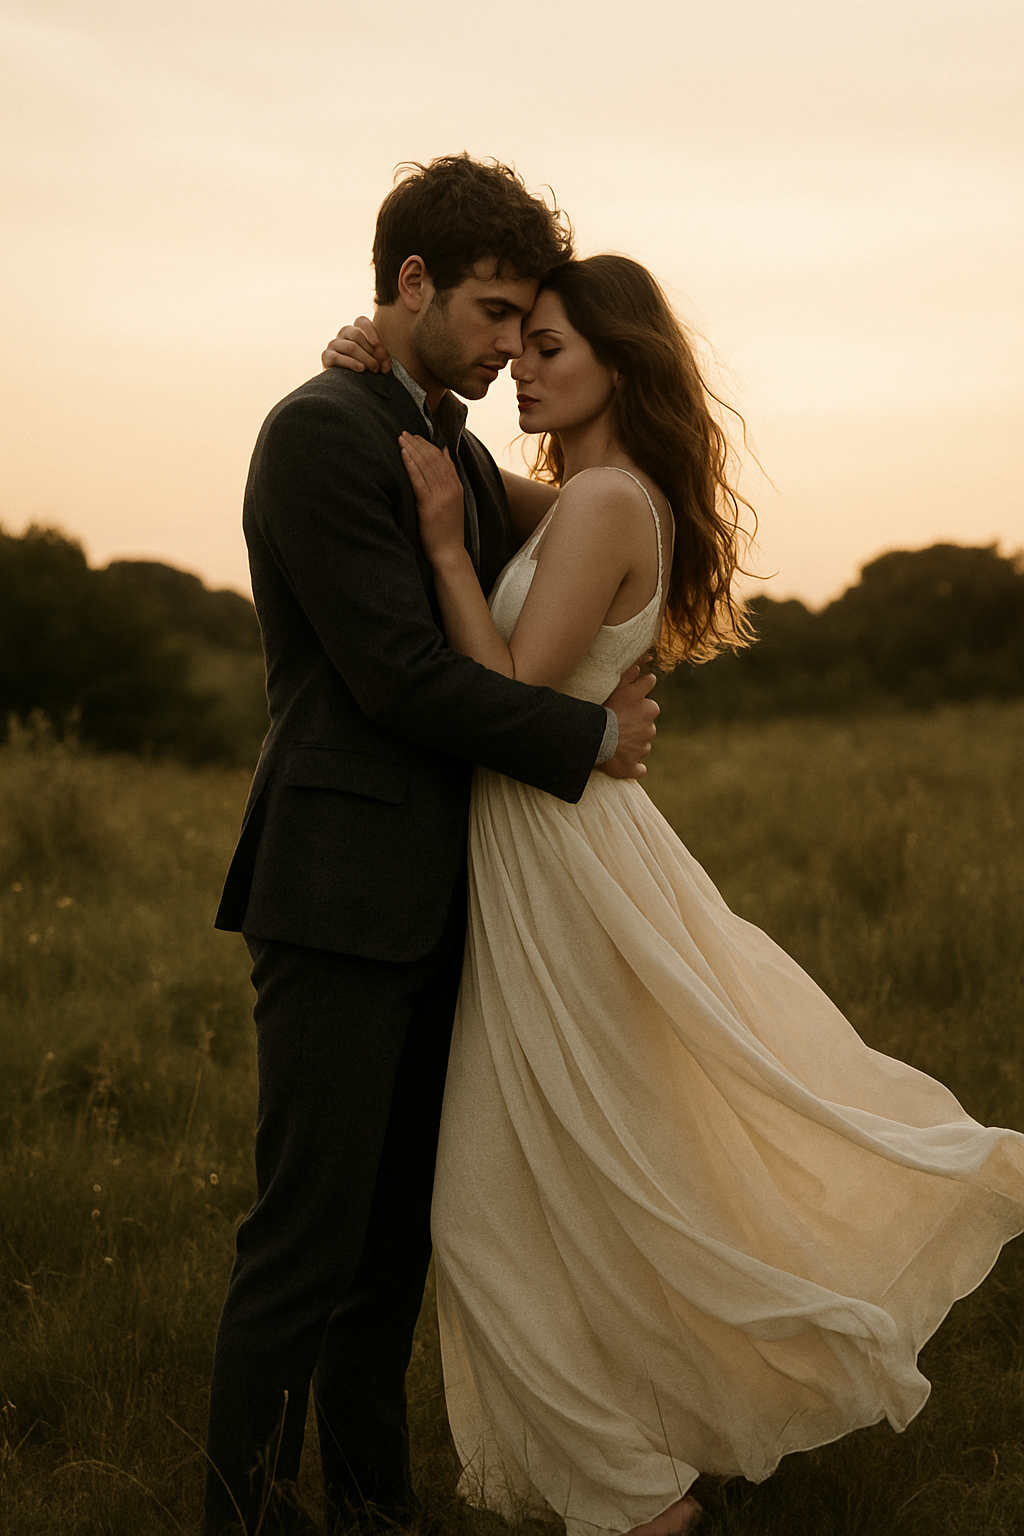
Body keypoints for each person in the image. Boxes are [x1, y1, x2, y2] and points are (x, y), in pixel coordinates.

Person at [323, 253, 1024, 1536]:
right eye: (516, 345)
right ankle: (647, 1471)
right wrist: (387, 370)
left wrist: (436, 551)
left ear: (616, 363)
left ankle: (641, 1504)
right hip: (555, 847)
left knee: (495, 1205)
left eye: (547, 349)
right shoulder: (590, 496)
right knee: (565, 1177)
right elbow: (490, 498)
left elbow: (513, 700)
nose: (522, 371)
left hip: (554, 852)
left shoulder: (601, 507)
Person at [205, 158, 660, 1536]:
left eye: (528, 323)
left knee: (395, 1243)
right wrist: (582, 744)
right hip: (339, 893)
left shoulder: (443, 435)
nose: (507, 346)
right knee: (307, 1235)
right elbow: (400, 678)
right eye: (490, 312)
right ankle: (235, 1511)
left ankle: (370, 1498)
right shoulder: (317, 434)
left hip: (448, 898)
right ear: (410, 283)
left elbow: (588, 520)